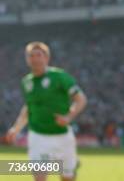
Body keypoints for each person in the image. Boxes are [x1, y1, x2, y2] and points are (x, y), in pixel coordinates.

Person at [6, 41, 87, 181]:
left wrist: (69, 116)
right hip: (38, 137)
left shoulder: (60, 76)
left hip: (62, 136)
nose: (35, 59)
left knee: (67, 177)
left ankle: (70, 165)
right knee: (40, 177)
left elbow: (81, 99)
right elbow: (29, 107)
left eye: (39, 55)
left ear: (47, 58)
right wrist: (16, 128)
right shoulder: (26, 82)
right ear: (27, 59)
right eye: (31, 55)